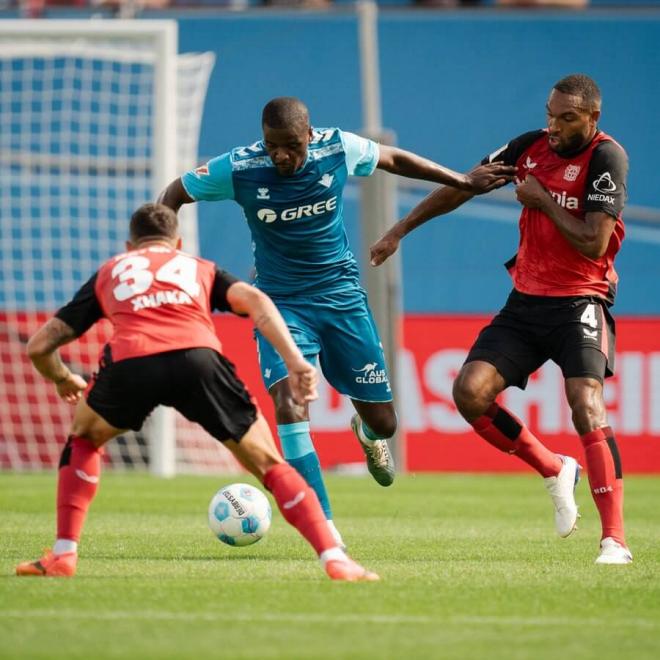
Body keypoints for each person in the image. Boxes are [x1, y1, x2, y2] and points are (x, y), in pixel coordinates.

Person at [158, 97, 515, 547]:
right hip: (280, 302)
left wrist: (461, 179)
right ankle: (324, 527)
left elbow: (394, 159)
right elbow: (174, 193)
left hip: (341, 298)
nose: (281, 156)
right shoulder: (240, 167)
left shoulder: (337, 148)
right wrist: (162, 251)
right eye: (272, 146)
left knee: (384, 422)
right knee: (289, 404)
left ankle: (365, 434)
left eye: (290, 145)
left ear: (309, 135)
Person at [16, 203, 378, 581]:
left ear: (129, 245)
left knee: (84, 441)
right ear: (178, 241)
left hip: (132, 362)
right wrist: (297, 361)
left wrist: (61, 378)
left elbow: (39, 346)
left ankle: (63, 555)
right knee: (270, 464)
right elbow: (257, 302)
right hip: (199, 361)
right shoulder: (197, 267)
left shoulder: (112, 271)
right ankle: (334, 558)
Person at [370, 74, 631, 565]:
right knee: (469, 393)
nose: (553, 126)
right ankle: (554, 470)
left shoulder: (605, 158)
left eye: (566, 118)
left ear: (593, 118)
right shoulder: (529, 147)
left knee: (585, 403)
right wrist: (400, 229)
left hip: (579, 302)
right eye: (550, 114)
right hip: (526, 301)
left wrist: (544, 201)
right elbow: (464, 186)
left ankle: (614, 539)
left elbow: (594, 242)